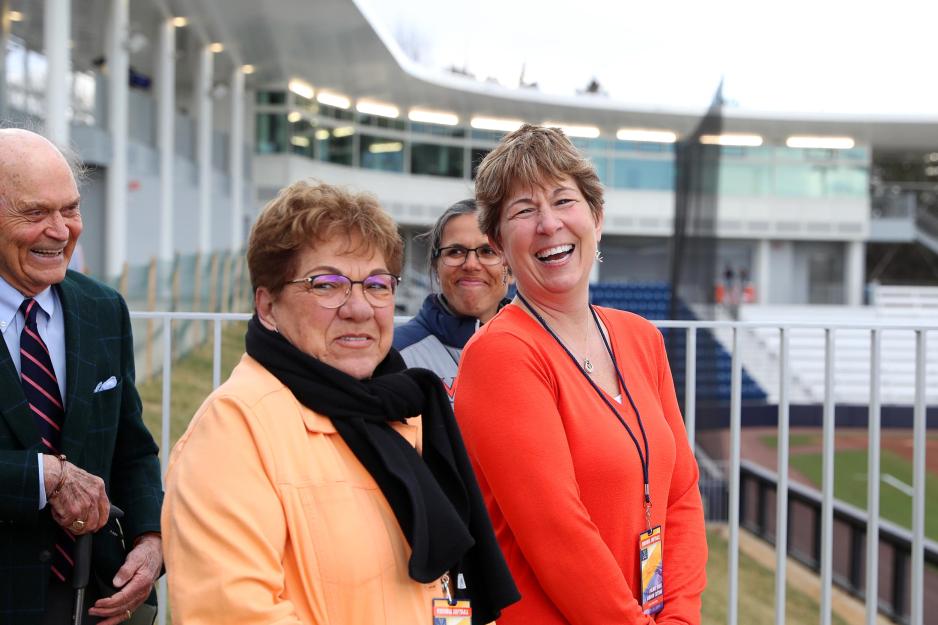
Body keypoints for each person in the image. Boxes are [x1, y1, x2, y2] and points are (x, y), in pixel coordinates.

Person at [161, 181, 518, 624]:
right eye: (326, 285)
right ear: (268, 306)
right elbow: (235, 613)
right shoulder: (234, 430)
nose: (359, 308)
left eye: (376, 285)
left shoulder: (400, 410)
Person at [455, 124, 708, 624]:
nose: (549, 224)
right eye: (524, 211)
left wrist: (679, 616)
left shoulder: (641, 338)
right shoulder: (502, 354)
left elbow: (681, 495)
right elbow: (557, 535)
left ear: (596, 216)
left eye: (563, 201)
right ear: (498, 243)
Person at [0, 128, 163, 624]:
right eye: (35, 213)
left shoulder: (103, 309)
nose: (60, 230)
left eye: (69, 209)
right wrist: (41, 476)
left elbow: (132, 448)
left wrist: (151, 539)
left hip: (93, 599)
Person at [394, 199, 509, 397]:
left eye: (488, 251)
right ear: (435, 267)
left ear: (511, 267)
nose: (471, 264)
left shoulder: (538, 347)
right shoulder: (396, 354)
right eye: (455, 251)